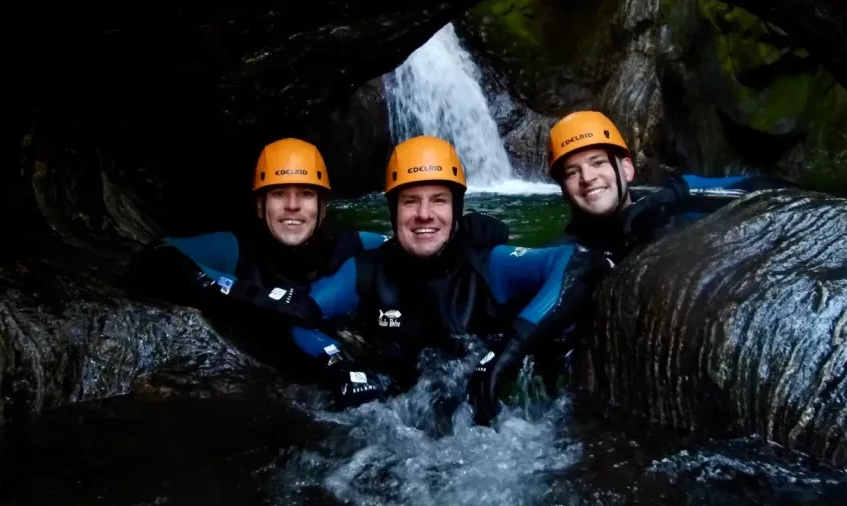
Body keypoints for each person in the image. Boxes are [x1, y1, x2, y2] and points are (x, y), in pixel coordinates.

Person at [194, 135, 611, 425]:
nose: (425, 215)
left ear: (457, 209)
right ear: (393, 212)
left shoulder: (489, 262)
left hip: (498, 429)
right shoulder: (366, 271)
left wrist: (509, 352)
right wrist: (337, 365)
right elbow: (301, 310)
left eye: (439, 201)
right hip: (404, 429)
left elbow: (578, 262)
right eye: (411, 201)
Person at [129, 138, 389, 407]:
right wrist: (246, 293)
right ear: (259, 206)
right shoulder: (237, 250)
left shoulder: (354, 247)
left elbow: (412, 254)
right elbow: (156, 256)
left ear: (323, 208)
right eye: (278, 194)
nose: (292, 205)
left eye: (306, 194)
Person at [547, 110, 800, 263]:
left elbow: (785, 193)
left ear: (626, 168)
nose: (587, 177)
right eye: (572, 172)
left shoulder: (676, 210)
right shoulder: (559, 255)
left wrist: (682, 196)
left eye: (598, 162)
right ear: (563, 188)